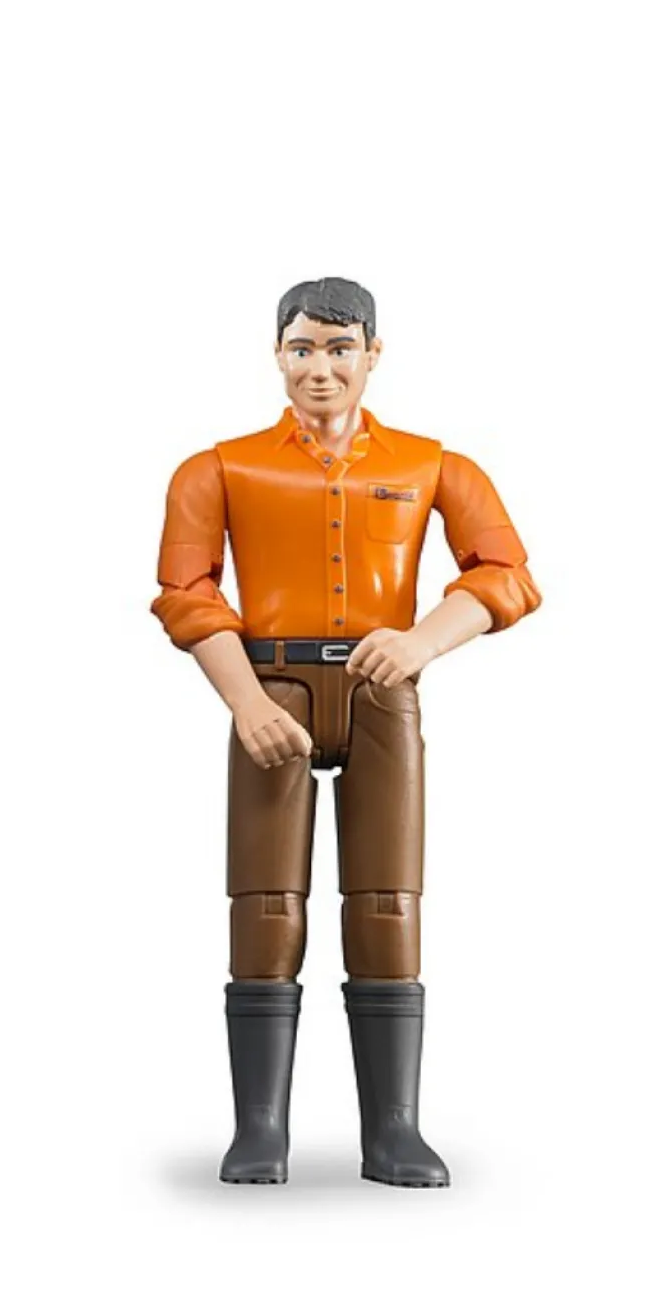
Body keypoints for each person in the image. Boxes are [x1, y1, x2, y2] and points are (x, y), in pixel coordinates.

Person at [152, 277, 541, 1186]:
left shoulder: (433, 465)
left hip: (380, 691)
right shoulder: (218, 469)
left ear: (373, 354)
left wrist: (421, 642)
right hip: (273, 690)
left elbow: (507, 574)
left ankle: (394, 1128)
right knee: (263, 902)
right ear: (276, 356)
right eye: (302, 348)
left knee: (387, 900)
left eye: (338, 348)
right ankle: (260, 1128)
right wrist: (245, 701)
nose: (319, 368)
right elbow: (187, 591)